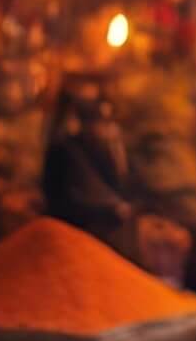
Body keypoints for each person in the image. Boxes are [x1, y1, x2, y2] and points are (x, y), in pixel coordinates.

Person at [42, 80, 133, 247]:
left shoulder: (114, 146)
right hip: (77, 234)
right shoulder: (66, 149)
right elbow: (73, 196)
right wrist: (113, 208)